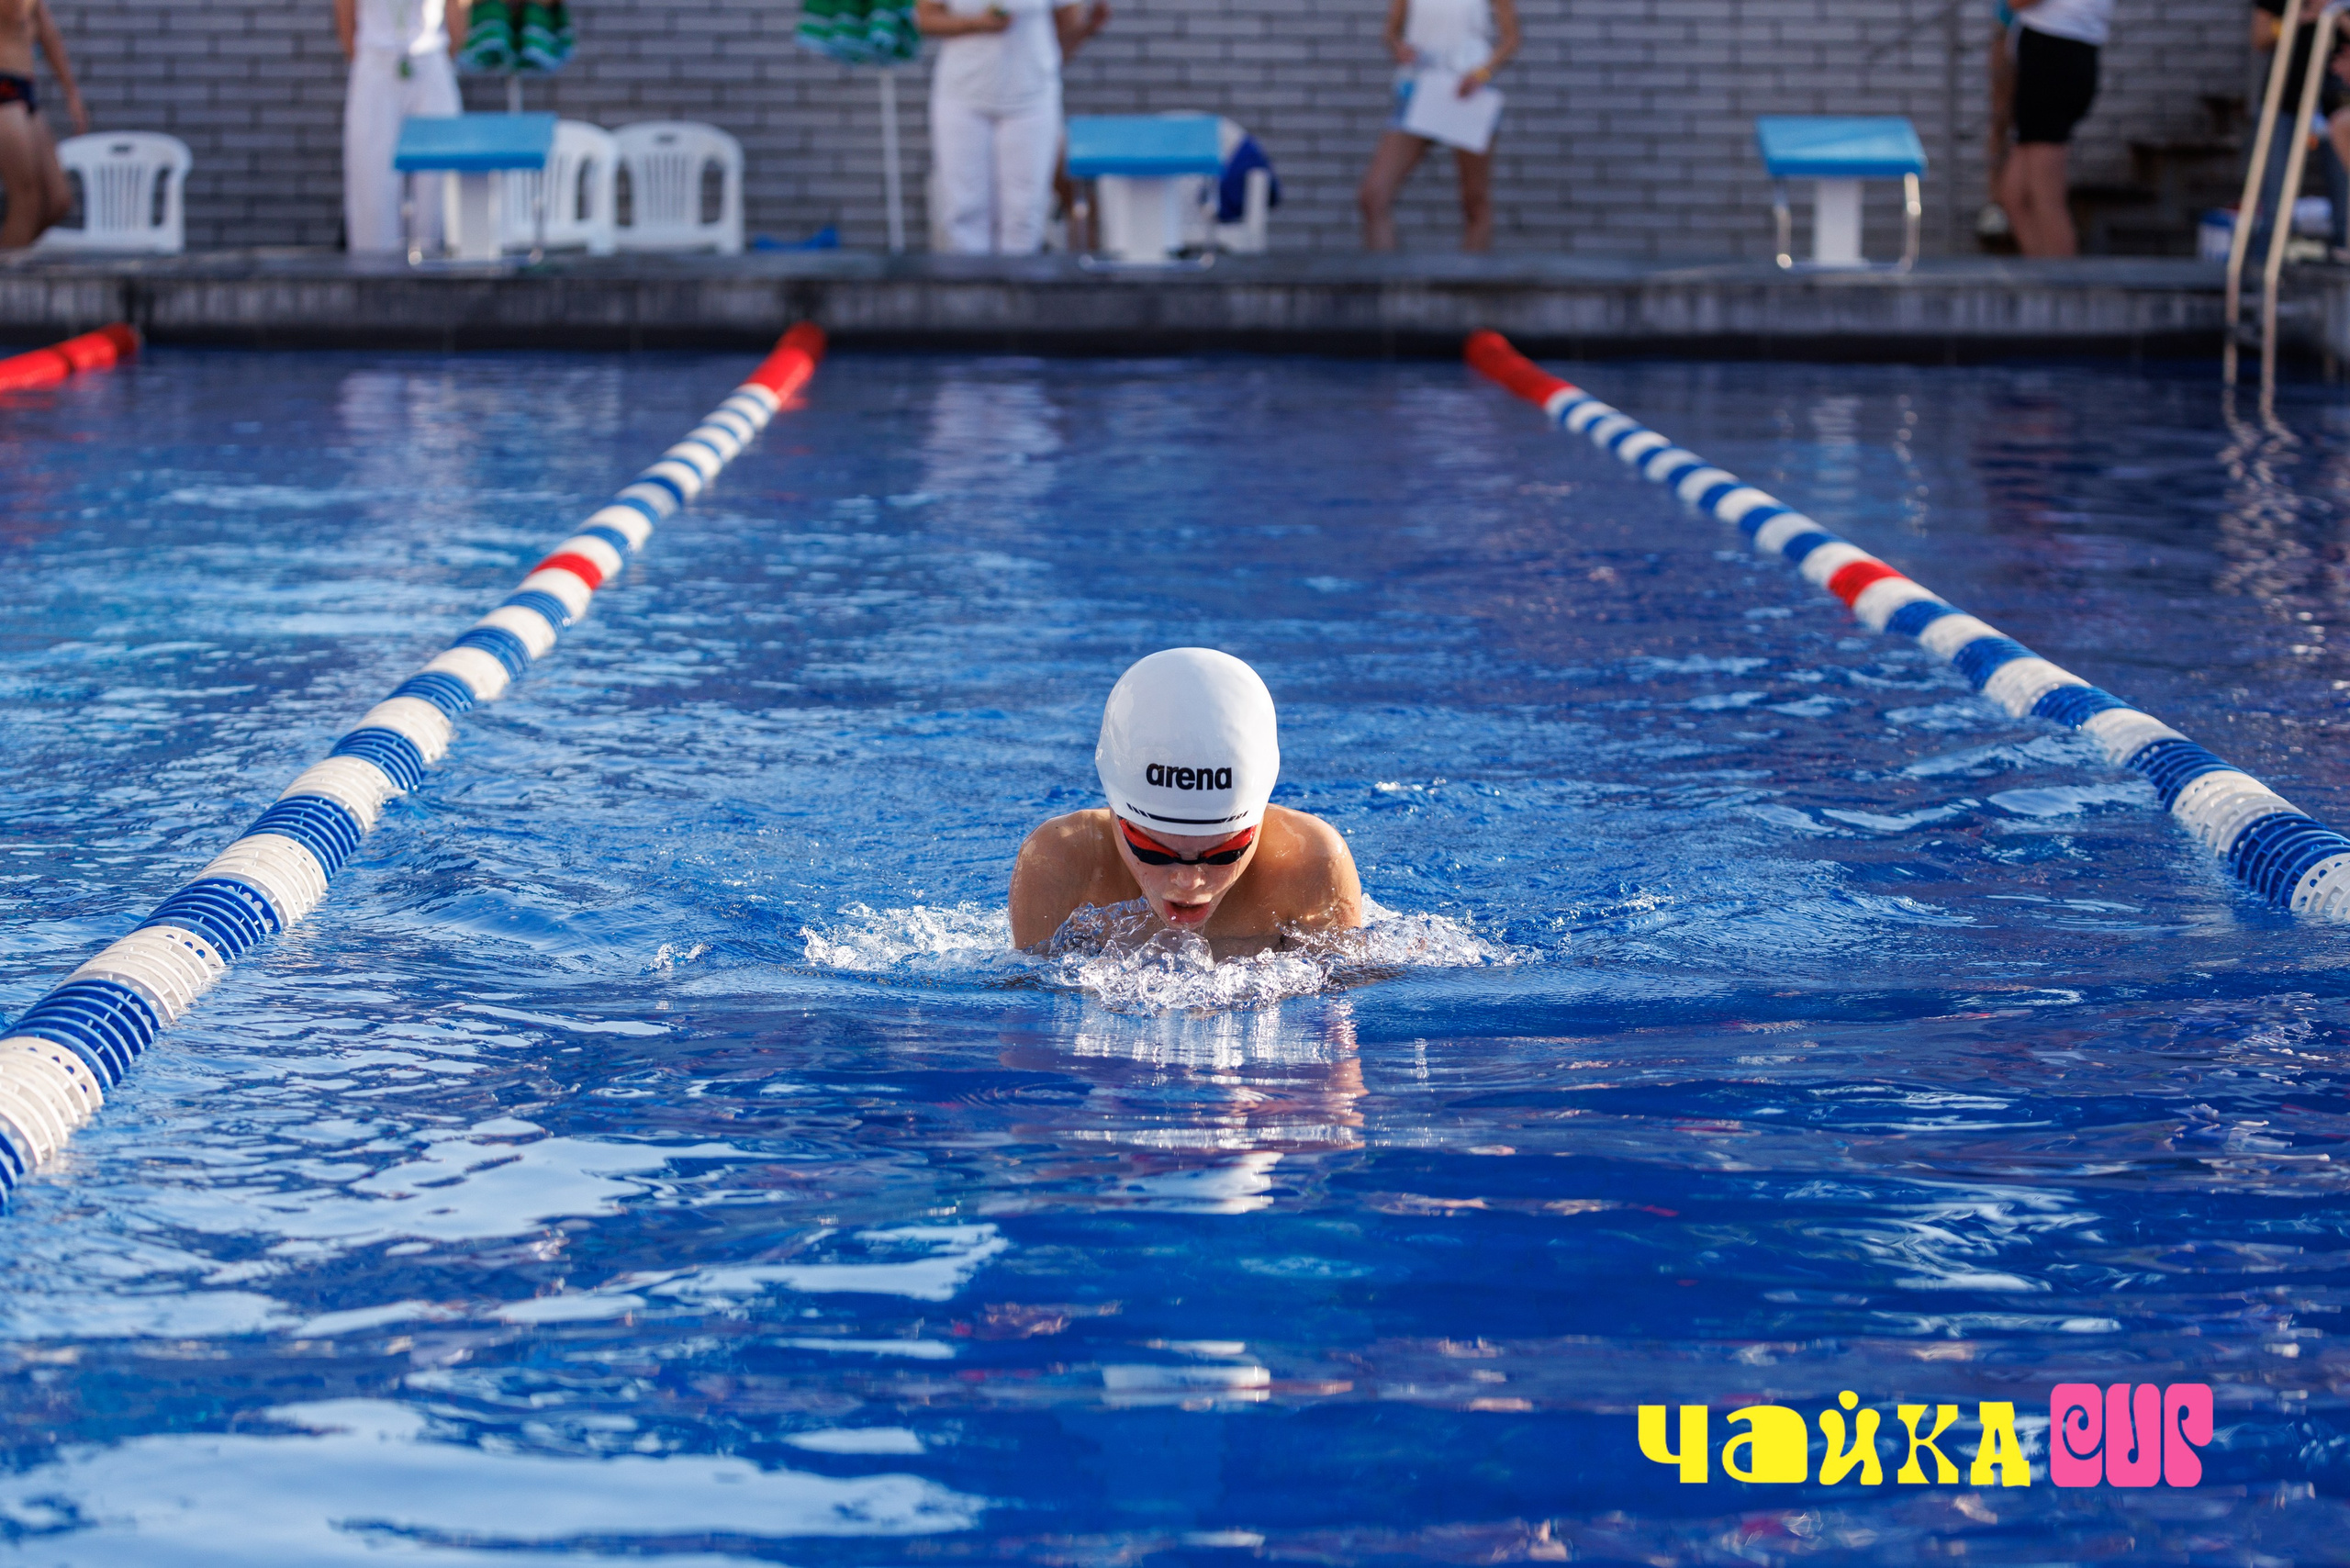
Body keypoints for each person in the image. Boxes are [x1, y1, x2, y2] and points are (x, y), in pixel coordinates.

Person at [1009, 648, 1365, 958]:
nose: (1189, 881)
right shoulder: (1058, 862)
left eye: (1225, 853)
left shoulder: (1310, 863)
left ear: (1256, 825)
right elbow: (1033, 1018)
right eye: (1154, 852)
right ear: (1116, 814)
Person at [918, 0, 1109, 256]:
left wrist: (1084, 31)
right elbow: (925, 18)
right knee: (964, 208)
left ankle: (1019, 291)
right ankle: (972, 292)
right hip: (962, 95)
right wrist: (978, 24)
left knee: (1025, 211)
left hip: (1030, 97)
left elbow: (1066, 28)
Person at [1357, 0, 1520, 253]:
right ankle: (1388, 284)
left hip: (1468, 93)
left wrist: (1481, 74)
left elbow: (1511, 39)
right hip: (1419, 89)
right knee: (1373, 197)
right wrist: (1398, 48)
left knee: (1475, 202)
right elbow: (1391, 33)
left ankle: (1469, 285)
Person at [335, 0, 470, 255]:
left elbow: (457, 14)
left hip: (430, 58)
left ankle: (435, 262)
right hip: (376, 59)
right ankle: (374, 268)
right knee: (371, 173)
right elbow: (344, 12)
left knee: (439, 174)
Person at [1997, 0, 2111, 257]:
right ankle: (2042, 281)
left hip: (2054, 59)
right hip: (2054, 57)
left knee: (2045, 198)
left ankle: (2063, 290)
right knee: (2015, 195)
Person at [2247, 0, 2350, 260]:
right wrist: (2302, 17)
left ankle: (2343, 248)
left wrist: (2334, 15)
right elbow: (2260, 38)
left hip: (2337, 100)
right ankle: (2266, 266)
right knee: (2275, 191)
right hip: (2284, 97)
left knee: (2343, 186)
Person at [0, 0, 87, 251]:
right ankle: (7, 281)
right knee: (27, 199)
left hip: (23, 86)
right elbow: (16, 12)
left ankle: (9, 258)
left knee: (58, 200)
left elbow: (48, 34)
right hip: (3, 89)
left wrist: (71, 93)